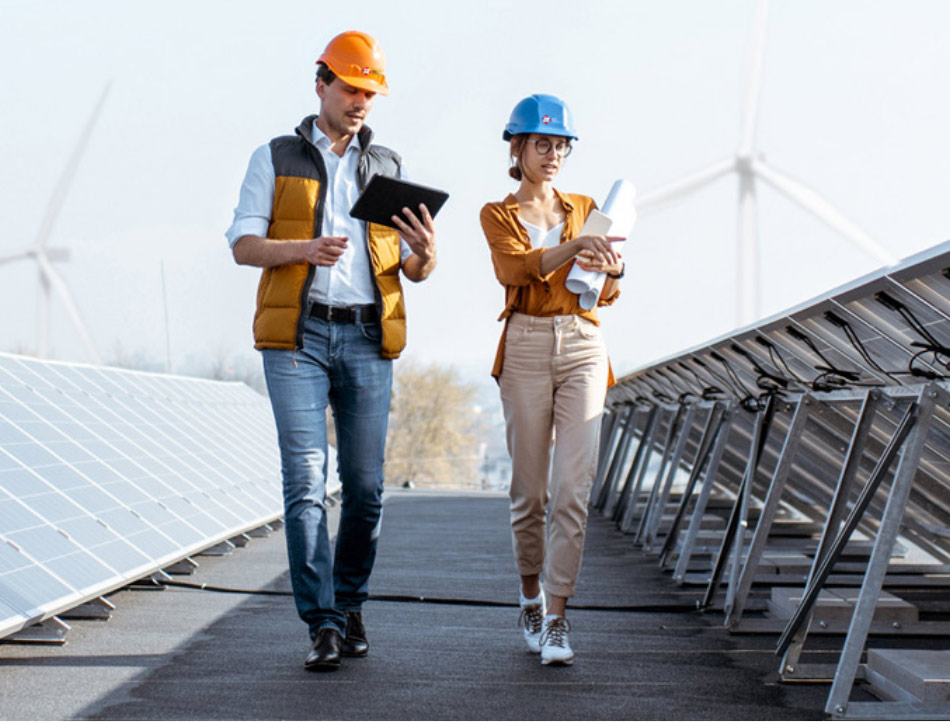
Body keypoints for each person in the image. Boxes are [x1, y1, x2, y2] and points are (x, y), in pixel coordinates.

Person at [226, 31, 437, 672]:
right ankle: (320, 622)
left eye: (370, 92)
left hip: (370, 336)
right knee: (306, 483)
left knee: (368, 488)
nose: (361, 102)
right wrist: (302, 250)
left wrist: (426, 254)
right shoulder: (275, 156)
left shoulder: (389, 166)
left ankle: (349, 606)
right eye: (351, 88)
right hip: (298, 336)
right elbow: (241, 244)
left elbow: (411, 267)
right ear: (320, 84)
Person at [479, 94, 624, 666]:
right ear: (517, 148)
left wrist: (611, 269)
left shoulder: (586, 207)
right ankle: (530, 595)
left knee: (573, 490)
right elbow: (513, 270)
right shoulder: (497, 213)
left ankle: (559, 618)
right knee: (530, 493)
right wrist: (574, 246)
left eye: (561, 145)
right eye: (543, 143)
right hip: (526, 344)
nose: (553, 154)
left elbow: (606, 292)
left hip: (583, 343)